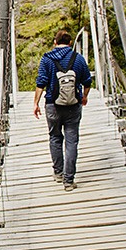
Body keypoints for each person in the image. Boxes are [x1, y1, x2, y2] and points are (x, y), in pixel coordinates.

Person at [33, 30, 93, 191]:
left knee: (55, 137)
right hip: (73, 106)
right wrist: (84, 96)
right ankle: (68, 181)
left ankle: (58, 173)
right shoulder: (78, 58)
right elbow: (87, 81)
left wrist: (36, 103)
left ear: (55, 42)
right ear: (70, 42)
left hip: (52, 105)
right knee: (71, 141)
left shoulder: (46, 59)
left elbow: (41, 82)